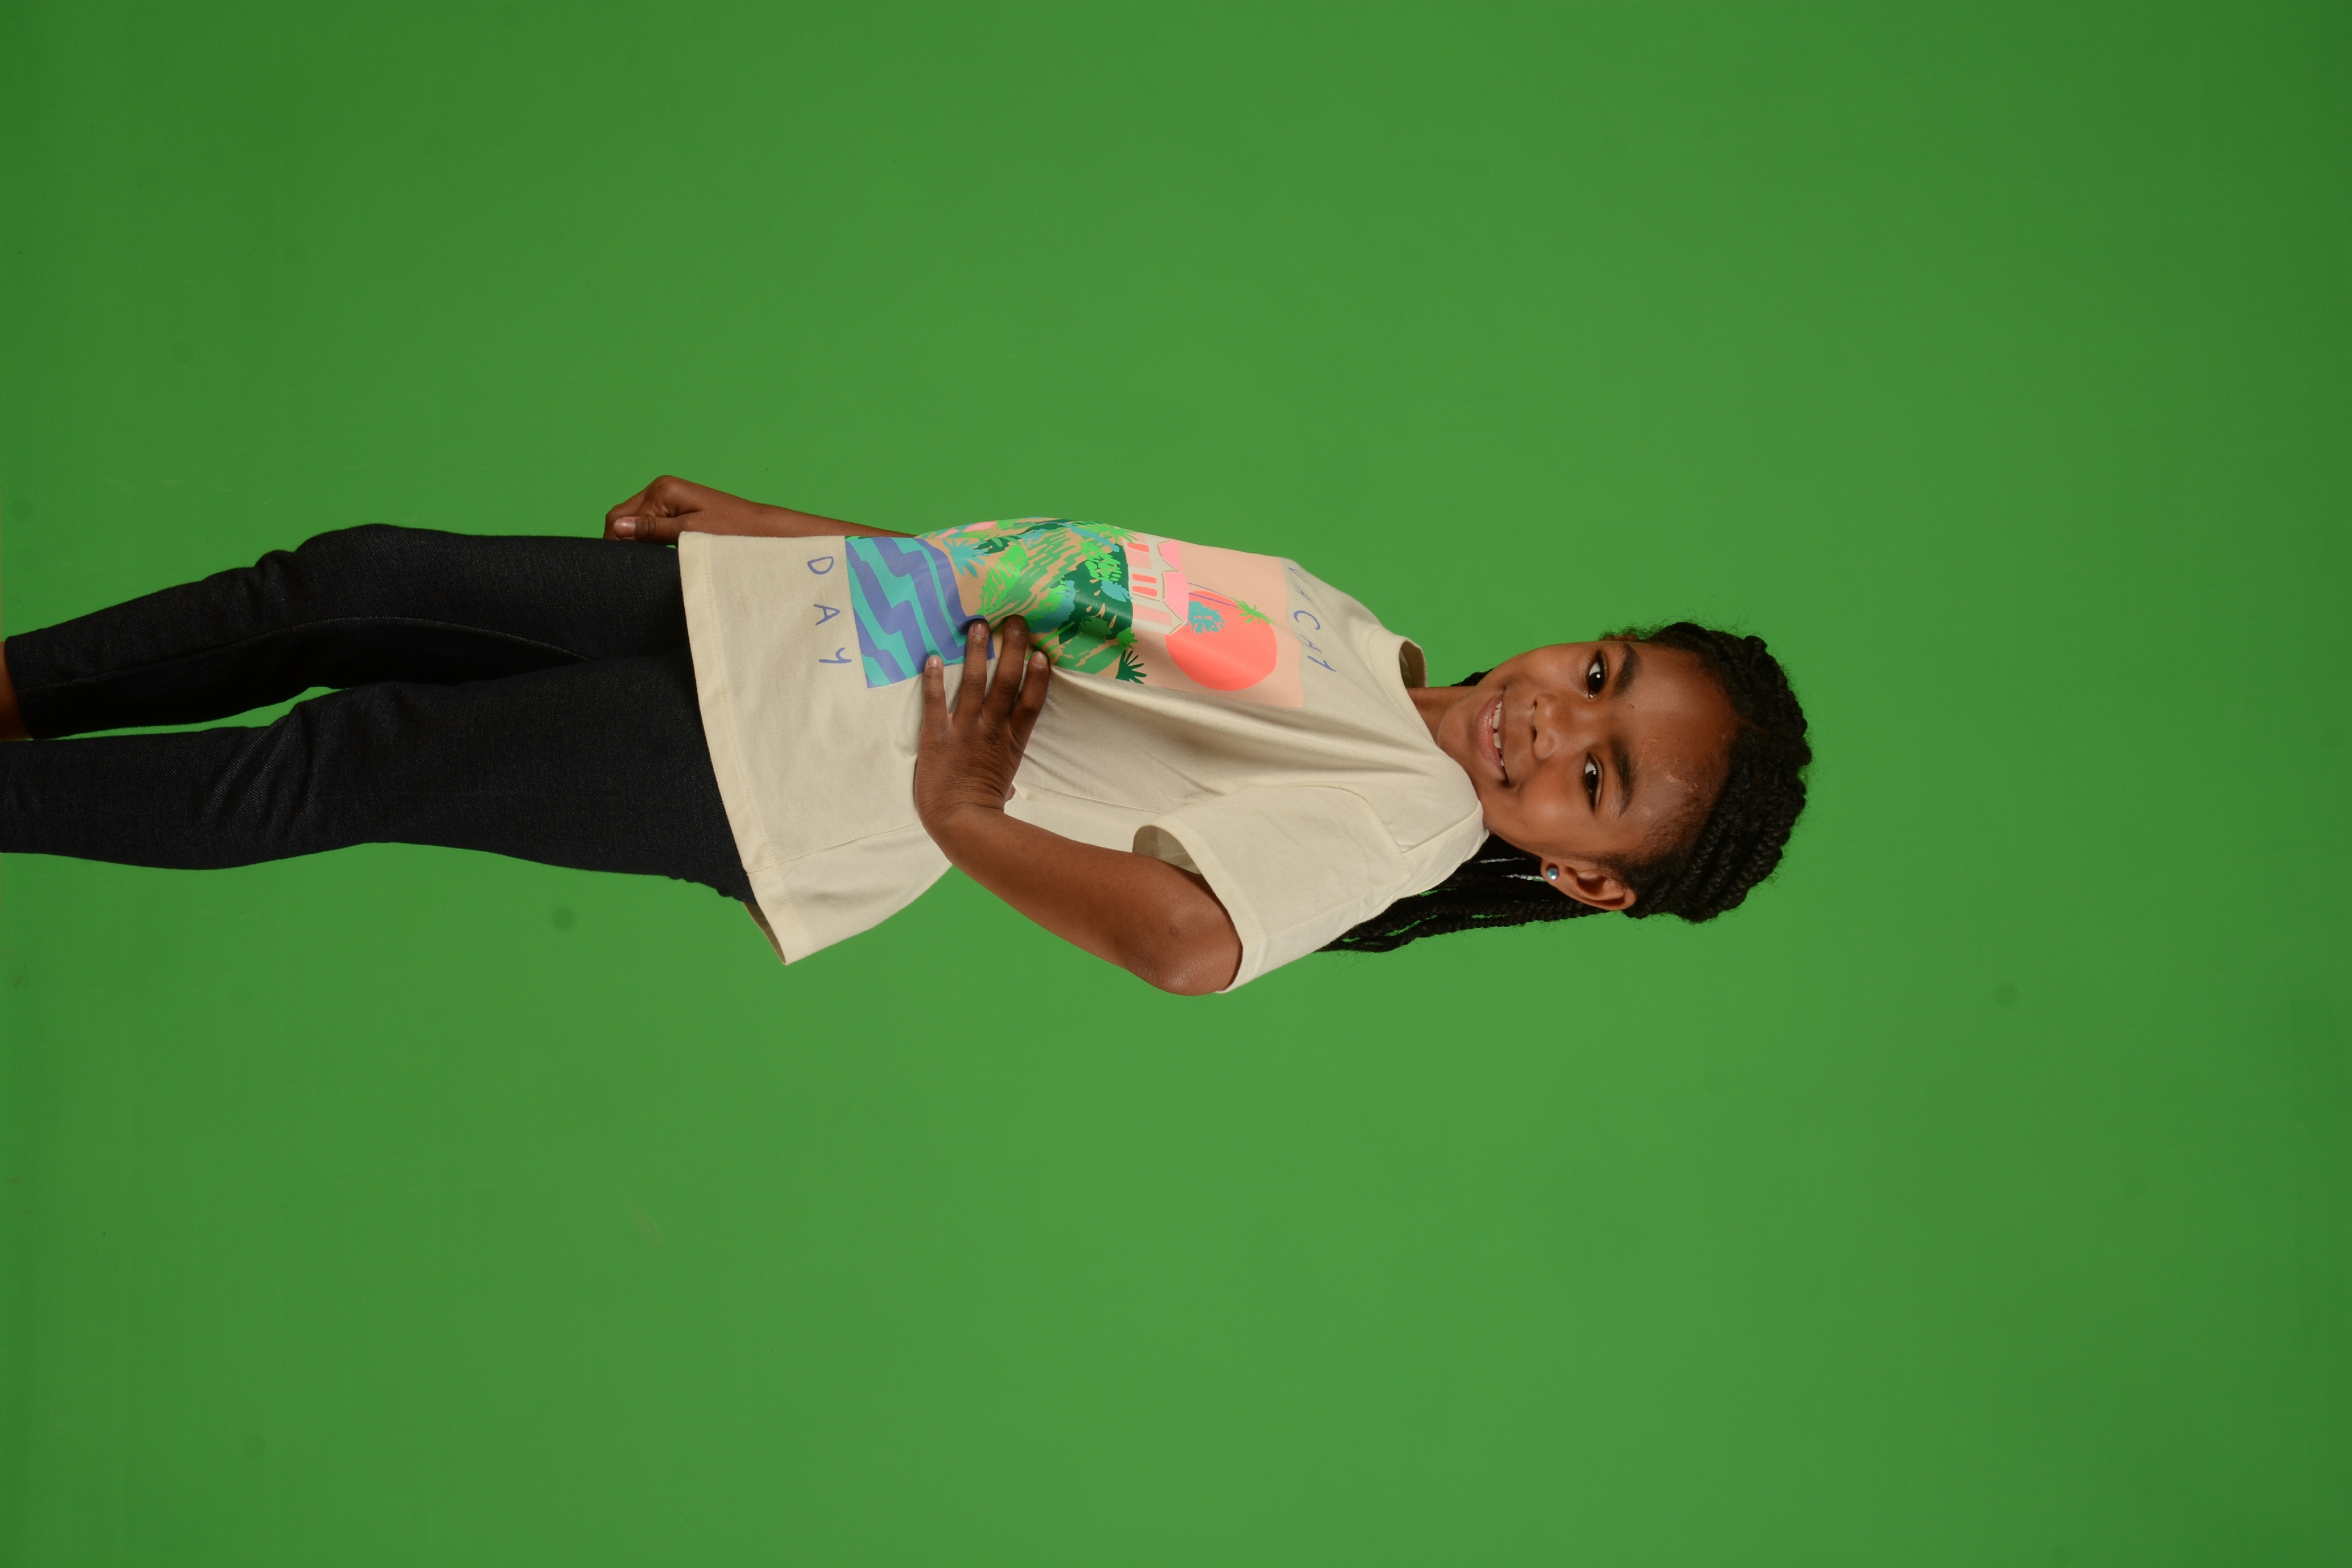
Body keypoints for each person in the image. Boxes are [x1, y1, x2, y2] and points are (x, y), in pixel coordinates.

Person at [0, 478, 1811, 994]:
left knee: (346, 754)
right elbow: (1051, 591)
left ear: (1588, 876)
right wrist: (789, 532)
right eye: (1601, 676)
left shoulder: (1407, 820)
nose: (1552, 720)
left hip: (799, 767)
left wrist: (960, 812)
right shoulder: (1357, 635)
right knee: (348, 583)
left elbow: (1189, 946)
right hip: (801, 623)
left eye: (1595, 781)